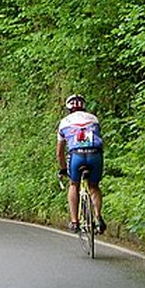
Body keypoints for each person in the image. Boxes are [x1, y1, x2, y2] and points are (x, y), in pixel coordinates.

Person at [56, 93, 107, 234]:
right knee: (94, 186)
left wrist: (63, 169)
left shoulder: (64, 122)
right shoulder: (93, 119)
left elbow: (59, 153)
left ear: (68, 109)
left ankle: (74, 221)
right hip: (95, 154)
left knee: (74, 184)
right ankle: (98, 216)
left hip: (76, 155)